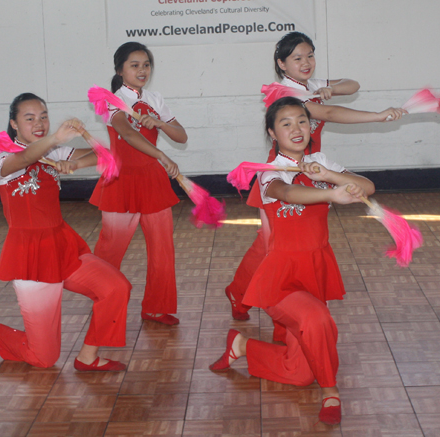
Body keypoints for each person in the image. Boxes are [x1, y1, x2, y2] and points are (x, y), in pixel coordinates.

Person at [210, 96, 376, 425]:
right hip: (280, 279)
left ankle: (242, 346)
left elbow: (368, 186)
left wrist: (328, 173)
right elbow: (287, 194)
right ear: (272, 133)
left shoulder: (321, 161)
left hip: (315, 270)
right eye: (285, 123)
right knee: (317, 321)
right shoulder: (269, 172)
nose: (296, 128)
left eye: (302, 120)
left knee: (300, 373)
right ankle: (331, 393)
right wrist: (330, 192)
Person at [225, 31, 406, 326]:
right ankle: (242, 293)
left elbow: (353, 84)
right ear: (282, 64)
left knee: (284, 241)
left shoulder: (309, 84)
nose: (306, 62)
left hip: (312, 166)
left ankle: (273, 294)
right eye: (297, 58)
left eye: (310, 55)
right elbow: (330, 113)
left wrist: (329, 87)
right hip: (285, 171)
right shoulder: (286, 93)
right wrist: (377, 115)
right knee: (268, 243)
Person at [0, 93, 131, 371]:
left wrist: (75, 162)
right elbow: (24, 157)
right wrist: (56, 139)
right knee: (43, 358)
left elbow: (102, 155)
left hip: (62, 246)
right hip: (30, 257)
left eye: (44, 116)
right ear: (14, 123)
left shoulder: (52, 152)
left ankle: (88, 357)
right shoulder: (1, 158)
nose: (39, 123)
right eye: (30, 118)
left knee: (116, 288)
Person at [89, 42, 188, 326]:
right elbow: (127, 134)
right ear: (120, 71)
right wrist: (161, 154)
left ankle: (157, 307)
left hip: (153, 180)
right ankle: (102, 298)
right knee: (111, 248)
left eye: (146, 64)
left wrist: (160, 124)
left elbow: (181, 136)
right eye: (134, 65)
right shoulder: (112, 99)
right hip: (122, 179)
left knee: (162, 249)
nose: (142, 70)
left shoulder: (155, 98)